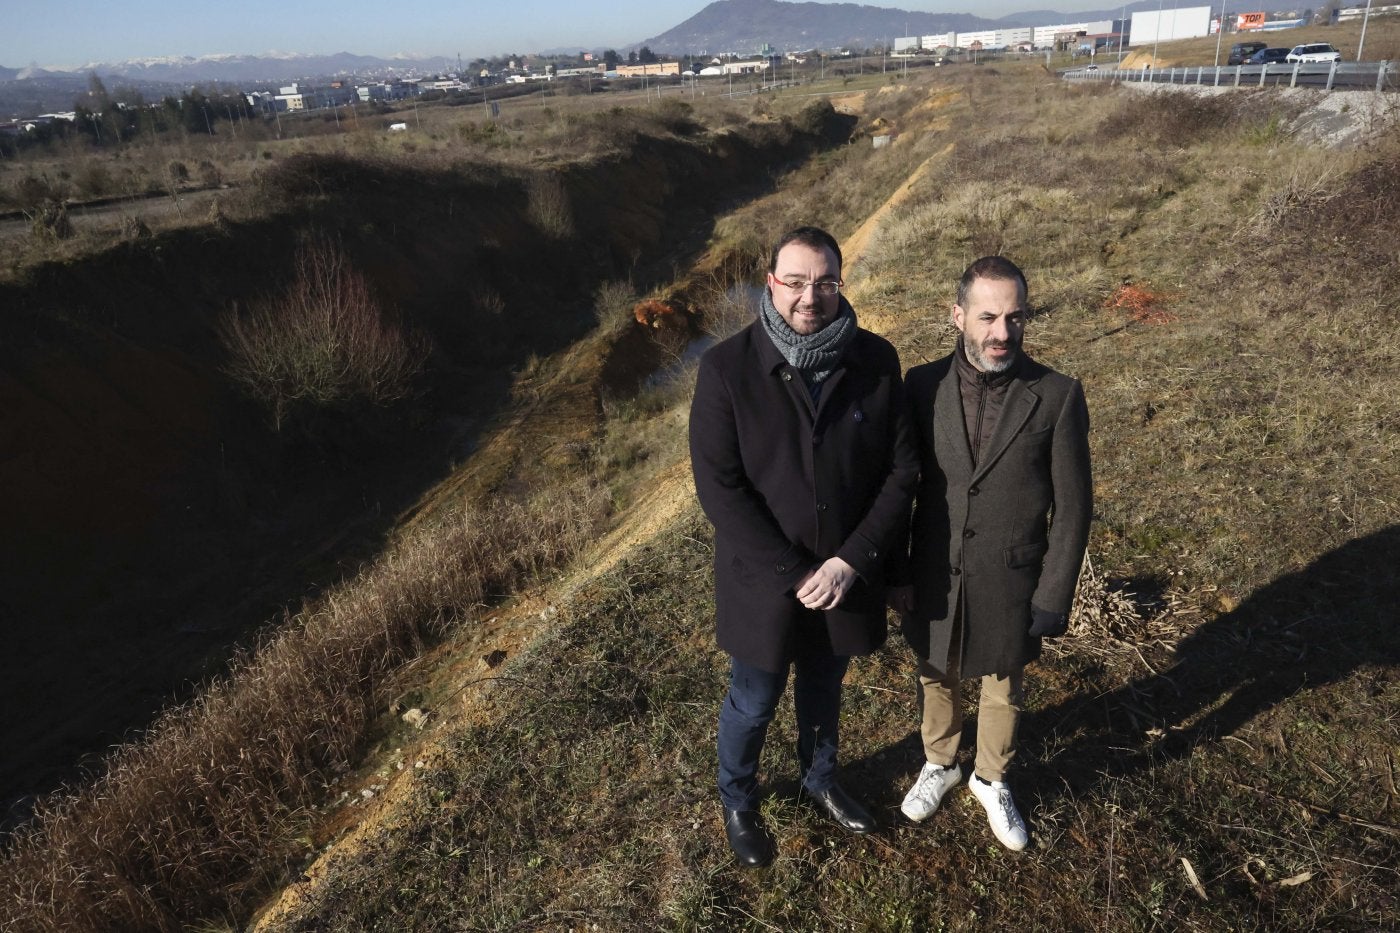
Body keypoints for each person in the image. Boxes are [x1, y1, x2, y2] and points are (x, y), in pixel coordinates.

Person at [688, 226, 918, 867]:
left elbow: (900, 473)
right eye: (794, 281)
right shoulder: (726, 369)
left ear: (840, 284)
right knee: (755, 698)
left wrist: (852, 562)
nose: (809, 297)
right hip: (764, 580)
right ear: (771, 283)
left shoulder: (875, 361)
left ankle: (820, 781)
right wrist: (794, 572)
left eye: (823, 282)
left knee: (824, 686)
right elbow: (721, 491)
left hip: (847, 573)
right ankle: (739, 798)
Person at [891, 255, 1092, 851]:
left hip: (1013, 575)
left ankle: (992, 776)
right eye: (988, 317)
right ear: (958, 316)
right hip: (935, 569)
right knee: (936, 672)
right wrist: (898, 571)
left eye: (1015, 317)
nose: (1002, 333)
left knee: (1004, 682)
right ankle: (941, 761)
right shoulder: (920, 386)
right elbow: (904, 486)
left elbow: (1074, 507)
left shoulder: (1056, 396)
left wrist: (1055, 593)